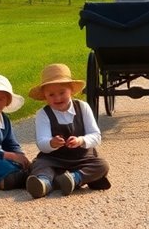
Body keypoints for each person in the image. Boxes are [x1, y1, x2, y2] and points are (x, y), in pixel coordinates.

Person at [26, 64, 110, 198]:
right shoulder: (43, 114)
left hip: (82, 159)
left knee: (102, 165)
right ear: (45, 96)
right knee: (39, 164)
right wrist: (51, 143)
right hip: (54, 159)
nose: (57, 98)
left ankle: (74, 178)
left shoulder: (83, 107)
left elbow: (96, 136)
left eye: (62, 92)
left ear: (71, 90)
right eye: (51, 95)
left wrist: (81, 140)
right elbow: (41, 142)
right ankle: (43, 183)